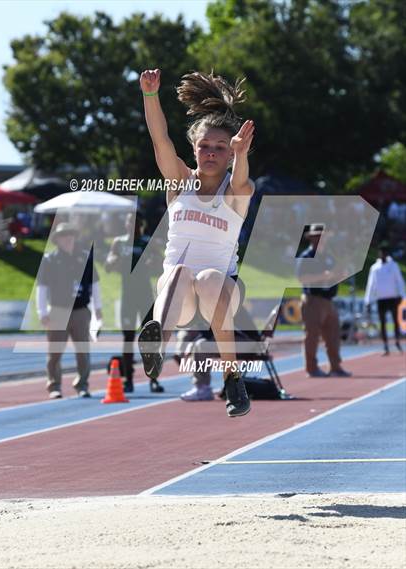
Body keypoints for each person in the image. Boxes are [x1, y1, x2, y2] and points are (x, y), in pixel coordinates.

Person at [137, 68, 255, 417]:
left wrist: (242, 153)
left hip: (223, 289)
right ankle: (158, 343)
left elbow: (242, 178)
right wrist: (150, 95)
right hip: (178, 294)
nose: (211, 152)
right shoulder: (179, 181)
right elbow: (160, 140)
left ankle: (232, 378)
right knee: (182, 272)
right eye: (205, 146)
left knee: (207, 278)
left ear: (231, 154)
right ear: (194, 148)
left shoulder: (237, 191)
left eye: (221, 147)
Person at [36, 222, 103, 399]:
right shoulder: (50, 260)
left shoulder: (85, 258)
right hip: (57, 311)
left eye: (70, 235)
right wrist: (42, 312)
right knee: (54, 352)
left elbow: (95, 283)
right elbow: (41, 287)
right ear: (57, 239)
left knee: (83, 351)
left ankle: (82, 384)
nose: (68, 239)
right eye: (63, 236)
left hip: (81, 311)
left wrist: (98, 307)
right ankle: (54, 386)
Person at [105, 211, 164, 393]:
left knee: (150, 339)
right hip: (128, 296)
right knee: (128, 338)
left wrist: (153, 262)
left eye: (135, 223)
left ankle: (153, 379)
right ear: (125, 224)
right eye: (128, 222)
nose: (131, 226)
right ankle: (128, 379)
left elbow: (162, 265)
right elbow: (108, 264)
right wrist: (113, 260)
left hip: (145, 295)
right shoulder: (119, 242)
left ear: (141, 225)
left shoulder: (148, 242)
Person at [297, 224, 351, 378]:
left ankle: (335, 366)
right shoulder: (306, 256)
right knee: (312, 335)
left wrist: (340, 275)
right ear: (312, 238)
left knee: (333, 335)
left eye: (323, 236)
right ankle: (311, 368)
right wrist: (324, 276)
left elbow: (334, 275)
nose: (321, 239)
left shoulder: (328, 256)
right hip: (313, 299)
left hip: (328, 300)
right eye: (318, 236)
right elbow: (302, 278)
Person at [364, 244, 405, 355]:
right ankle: (385, 345)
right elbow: (370, 284)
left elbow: (399, 281)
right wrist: (368, 300)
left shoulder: (394, 266)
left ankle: (397, 342)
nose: (383, 254)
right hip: (381, 299)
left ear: (387, 254)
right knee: (382, 322)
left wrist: (402, 296)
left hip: (393, 298)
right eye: (381, 252)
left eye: (385, 252)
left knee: (396, 321)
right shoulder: (374, 268)